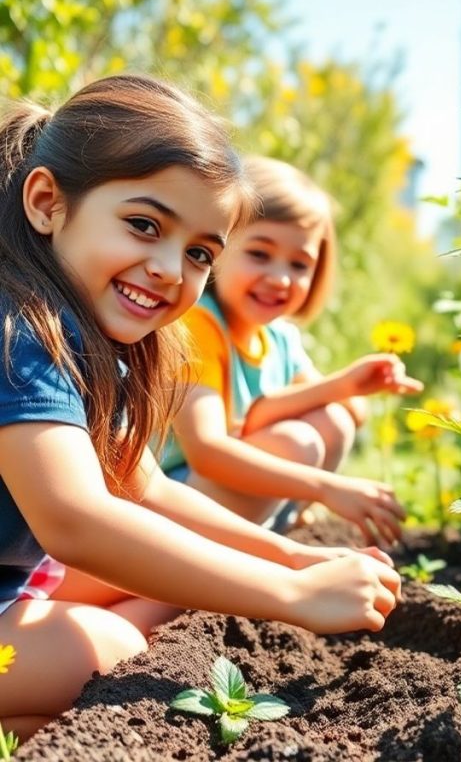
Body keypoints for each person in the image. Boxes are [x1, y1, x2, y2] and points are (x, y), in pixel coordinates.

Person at [0, 75, 401, 738]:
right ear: (47, 203)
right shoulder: (19, 333)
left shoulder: (99, 339)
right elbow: (74, 520)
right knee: (119, 652)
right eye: (143, 225)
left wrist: (291, 558)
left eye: (197, 253)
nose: (167, 267)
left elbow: (141, 485)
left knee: (120, 638)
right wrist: (290, 597)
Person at [161, 156, 421, 542]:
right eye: (259, 254)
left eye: (299, 264)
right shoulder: (198, 325)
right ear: (216, 247)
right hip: (169, 501)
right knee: (298, 441)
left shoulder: (279, 340)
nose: (280, 278)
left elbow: (349, 411)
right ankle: (236, 553)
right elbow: (207, 451)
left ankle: (277, 532)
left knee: (330, 420)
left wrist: (353, 385)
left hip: (220, 501)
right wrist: (324, 488)